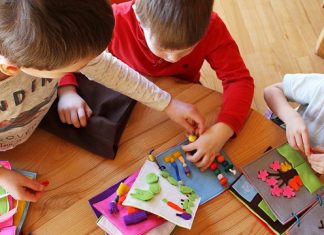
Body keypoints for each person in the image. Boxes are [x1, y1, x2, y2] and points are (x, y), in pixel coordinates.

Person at [0, 0, 204, 201]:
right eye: (72, 70)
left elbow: (106, 69)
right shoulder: (31, 51)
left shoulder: (39, 48)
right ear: (11, 68)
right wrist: (3, 176)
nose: (89, 67)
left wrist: (167, 104)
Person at [59, 0, 254, 171]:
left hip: (182, 94)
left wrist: (222, 130)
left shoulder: (212, 26)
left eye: (188, 49)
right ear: (139, 18)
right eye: (163, 49)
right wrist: (67, 88)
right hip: (127, 102)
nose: (174, 58)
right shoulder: (115, 20)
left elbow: (239, 80)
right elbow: (69, 51)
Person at [264, 74, 324, 174]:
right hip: (282, 132)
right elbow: (272, 90)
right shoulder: (320, 85)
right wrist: (291, 118)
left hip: (312, 168)